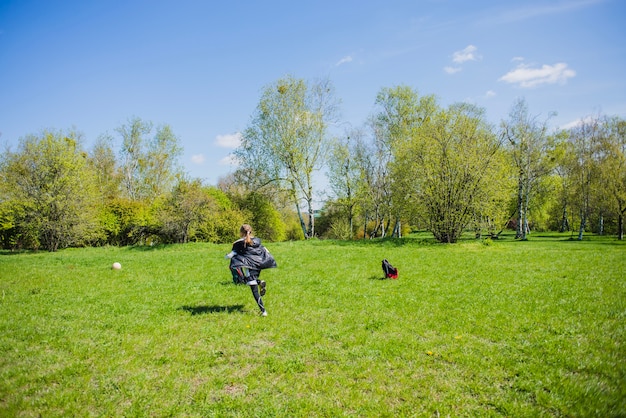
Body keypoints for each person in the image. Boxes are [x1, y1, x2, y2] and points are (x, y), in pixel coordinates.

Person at [226, 224, 277, 316]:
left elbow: (231, 255)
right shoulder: (257, 241)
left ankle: (263, 311)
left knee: (254, 290)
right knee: (249, 281)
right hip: (259, 265)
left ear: (241, 232)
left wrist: (226, 256)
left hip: (249, 267)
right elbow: (266, 251)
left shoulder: (239, 243)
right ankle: (259, 282)